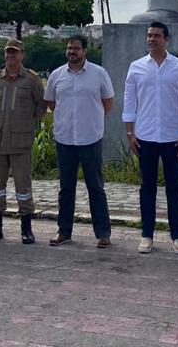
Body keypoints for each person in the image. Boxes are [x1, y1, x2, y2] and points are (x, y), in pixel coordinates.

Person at [123, 22, 178, 254]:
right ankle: (147, 235)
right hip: (145, 136)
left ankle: (177, 236)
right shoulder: (136, 67)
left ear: (167, 39)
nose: (152, 39)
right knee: (147, 188)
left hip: (173, 137)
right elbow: (129, 102)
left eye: (156, 36)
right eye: (149, 36)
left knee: (174, 188)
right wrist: (129, 132)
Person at [45, 35, 114, 248]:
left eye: (75, 48)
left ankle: (103, 233)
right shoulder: (56, 75)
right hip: (65, 139)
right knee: (66, 188)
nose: (71, 52)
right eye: (69, 48)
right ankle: (64, 231)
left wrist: (90, 120)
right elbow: (51, 103)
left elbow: (108, 103)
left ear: (85, 51)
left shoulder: (99, 74)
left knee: (95, 187)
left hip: (90, 138)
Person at [0, 39, 46, 244]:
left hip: (21, 142)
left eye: (15, 53)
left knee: (23, 187)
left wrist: (27, 122)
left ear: (22, 55)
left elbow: (41, 105)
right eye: (8, 53)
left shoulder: (31, 80)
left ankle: (26, 228)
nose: (11, 56)